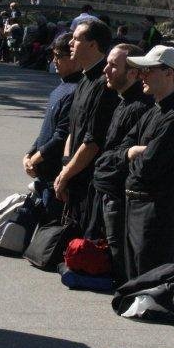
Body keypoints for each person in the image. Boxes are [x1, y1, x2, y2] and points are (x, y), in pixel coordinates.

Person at [117, 45, 174, 280]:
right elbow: (121, 150)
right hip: (134, 205)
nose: (142, 75)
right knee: (133, 282)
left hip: (155, 211)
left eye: (148, 70)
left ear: (169, 73)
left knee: (147, 284)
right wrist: (134, 152)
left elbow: (147, 168)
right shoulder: (152, 112)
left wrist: (134, 155)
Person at [89, 43, 154, 285]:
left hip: (121, 196)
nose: (106, 69)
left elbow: (127, 156)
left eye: (113, 65)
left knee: (122, 263)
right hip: (107, 190)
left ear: (134, 73)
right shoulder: (122, 101)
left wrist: (112, 161)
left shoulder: (140, 108)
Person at [54, 19, 118, 230]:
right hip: (74, 174)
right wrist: (65, 166)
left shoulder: (104, 84)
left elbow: (93, 141)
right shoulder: (83, 79)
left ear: (92, 44)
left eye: (76, 38)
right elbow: (73, 129)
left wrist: (66, 174)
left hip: (90, 183)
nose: (70, 43)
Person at [23, 33, 81, 184]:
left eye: (58, 55)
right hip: (43, 172)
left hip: (55, 175)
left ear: (74, 57)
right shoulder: (62, 87)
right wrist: (30, 153)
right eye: (53, 55)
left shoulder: (75, 91)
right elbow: (47, 129)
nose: (54, 60)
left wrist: (35, 159)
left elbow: (62, 135)